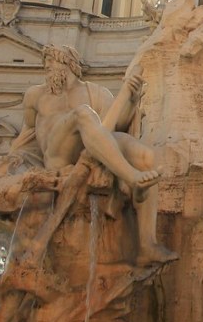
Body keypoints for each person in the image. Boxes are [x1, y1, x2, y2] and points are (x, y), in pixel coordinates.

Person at [9, 44, 175, 265]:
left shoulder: (95, 92)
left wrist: (131, 99)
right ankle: (132, 178)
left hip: (92, 148)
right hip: (57, 156)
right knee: (84, 114)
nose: (46, 67)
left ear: (68, 64)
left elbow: (112, 127)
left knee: (147, 157)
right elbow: (28, 133)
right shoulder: (35, 95)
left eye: (51, 62)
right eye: (46, 63)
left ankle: (147, 245)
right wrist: (14, 157)